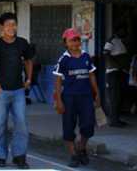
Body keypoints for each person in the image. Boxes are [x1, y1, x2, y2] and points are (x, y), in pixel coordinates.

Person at [0, 12, 34, 169]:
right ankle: (1, 156)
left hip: (18, 90)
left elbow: (28, 60)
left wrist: (28, 79)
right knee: (0, 124)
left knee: (21, 124)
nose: (11, 28)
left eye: (14, 25)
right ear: (2, 27)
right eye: (8, 25)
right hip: (1, 91)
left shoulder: (22, 43)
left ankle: (19, 156)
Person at [53, 28, 100, 168]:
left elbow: (92, 76)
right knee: (68, 128)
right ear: (66, 43)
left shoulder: (86, 57)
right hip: (69, 98)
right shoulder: (64, 59)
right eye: (72, 40)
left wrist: (97, 94)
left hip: (86, 97)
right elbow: (57, 81)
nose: (75, 42)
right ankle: (73, 155)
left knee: (88, 125)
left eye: (77, 39)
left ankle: (81, 148)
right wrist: (58, 100)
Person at [103, 29, 129, 127]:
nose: (125, 33)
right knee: (115, 97)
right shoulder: (111, 40)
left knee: (119, 97)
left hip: (120, 72)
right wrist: (117, 65)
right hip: (113, 73)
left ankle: (117, 119)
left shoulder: (120, 40)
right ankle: (113, 121)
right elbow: (106, 53)